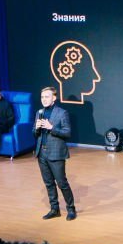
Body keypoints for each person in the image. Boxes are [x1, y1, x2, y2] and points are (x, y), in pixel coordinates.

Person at [34, 85, 76, 220]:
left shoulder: (62, 113)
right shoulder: (39, 112)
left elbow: (67, 133)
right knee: (48, 183)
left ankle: (71, 209)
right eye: (42, 97)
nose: (44, 99)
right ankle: (54, 209)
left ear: (54, 98)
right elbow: (34, 134)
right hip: (41, 153)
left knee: (62, 183)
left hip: (56, 153)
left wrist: (51, 127)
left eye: (47, 97)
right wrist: (36, 128)